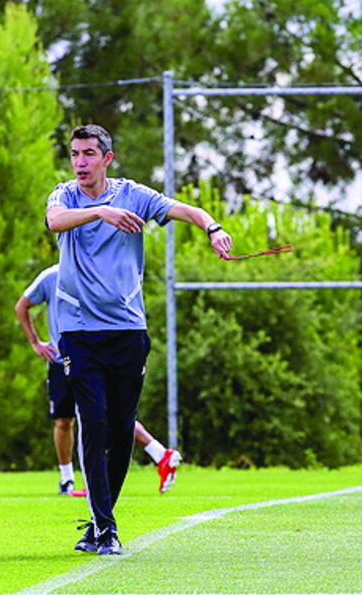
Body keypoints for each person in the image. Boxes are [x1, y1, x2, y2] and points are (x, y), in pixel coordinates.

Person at [46, 124, 232, 554]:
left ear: (107, 158)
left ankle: (99, 523)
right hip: (79, 333)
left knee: (119, 430)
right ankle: (106, 528)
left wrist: (212, 227)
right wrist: (100, 213)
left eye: (89, 154)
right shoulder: (65, 196)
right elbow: (55, 222)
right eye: (75, 154)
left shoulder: (134, 194)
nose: (80, 162)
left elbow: (185, 210)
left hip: (128, 331)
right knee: (92, 424)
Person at [15, 264, 183, 496]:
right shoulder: (51, 276)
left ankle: (150, 458)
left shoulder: (99, 272)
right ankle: (68, 480)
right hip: (63, 358)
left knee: (102, 414)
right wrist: (35, 342)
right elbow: (22, 306)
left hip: (94, 356)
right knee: (65, 420)